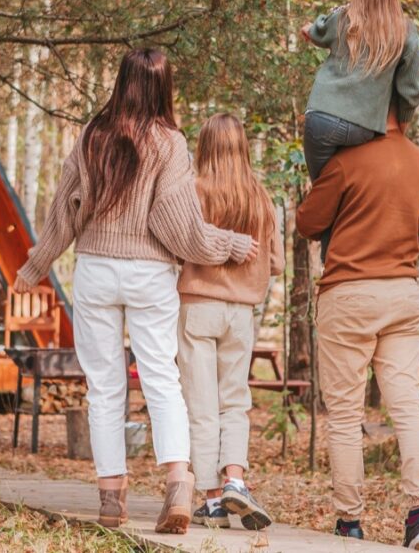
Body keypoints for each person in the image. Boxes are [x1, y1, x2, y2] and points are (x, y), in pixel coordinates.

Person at [14, 48, 259, 535]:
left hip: (96, 271)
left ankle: (112, 500)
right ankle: (177, 485)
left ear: (122, 81)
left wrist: (35, 265)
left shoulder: (92, 135)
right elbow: (178, 227)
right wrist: (229, 244)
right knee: (161, 381)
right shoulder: (169, 143)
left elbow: (66, 211)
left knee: (105, 387)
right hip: (149, 275)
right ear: (163, 87)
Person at [296, 109, 419, 551]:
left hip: (348, 294)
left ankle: (350, 523)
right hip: (402, 293)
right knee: (407, 403)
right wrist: (397, 239)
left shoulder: (346, 162)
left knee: (345, 414)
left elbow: (307, 223)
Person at [174, 113, 284, 531]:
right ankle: (235, 477)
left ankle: (212, 500)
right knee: (235, 401)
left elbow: (179, 246)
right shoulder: (260, 197)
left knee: (200, 405)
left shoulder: (191, 192)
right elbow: (276, 263)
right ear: (243, 148)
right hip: (241, 313)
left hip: (198, 307)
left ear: (204, 148)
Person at [299, 0, 419, 183]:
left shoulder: (344, 18)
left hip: (321, 119)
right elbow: (411, 91)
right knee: (358, 191)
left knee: (324, 194)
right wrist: (401, 130)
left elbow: (318, 30)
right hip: (364, 128)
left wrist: (309, 30)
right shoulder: (405, 32)